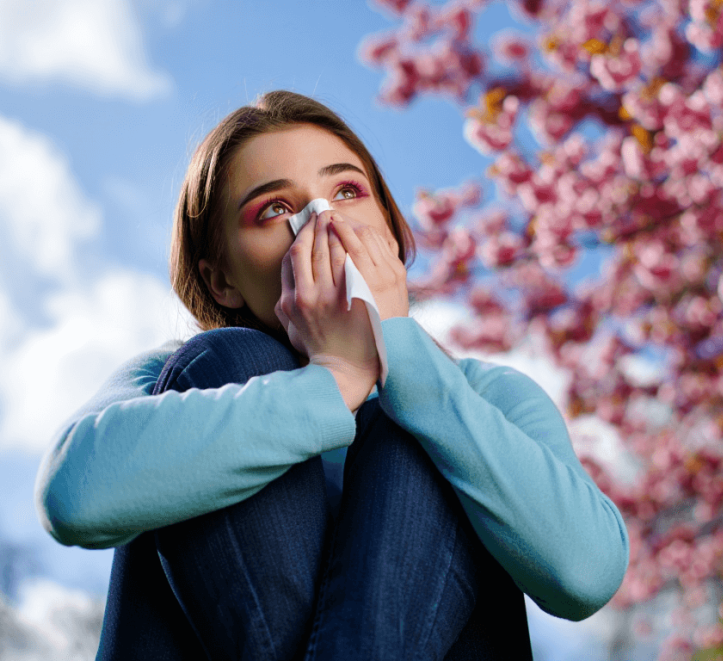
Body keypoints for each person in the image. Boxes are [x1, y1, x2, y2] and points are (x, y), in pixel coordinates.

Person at [34, 90, 629, 660]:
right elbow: (73, 496)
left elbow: (584, 575)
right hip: (217, 381)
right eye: (275, 208)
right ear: (222, 280)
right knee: (222, 365)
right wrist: (336, 380)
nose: (323, 222)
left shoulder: (487, 395)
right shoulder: (173, 377)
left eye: (347, 190)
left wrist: (407, 368)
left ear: (391, 231)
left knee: (418, 428)